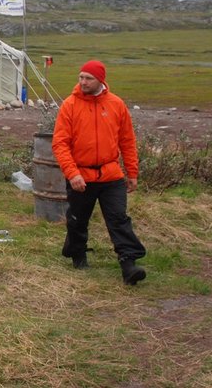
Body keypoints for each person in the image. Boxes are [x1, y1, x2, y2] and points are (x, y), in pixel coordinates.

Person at [52, 59, 147, 285]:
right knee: (77, 220)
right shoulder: (70, 105)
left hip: (111, 176)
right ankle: (77, 254)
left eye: (88, 78)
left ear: (100, 80)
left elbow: (127, 141)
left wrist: (132, 172)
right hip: (80, 175)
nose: (83, 82)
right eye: (81, 77)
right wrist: (72, 173)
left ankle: (128, 264)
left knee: (118, 219)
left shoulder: (116, 104)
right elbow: (60, 143)